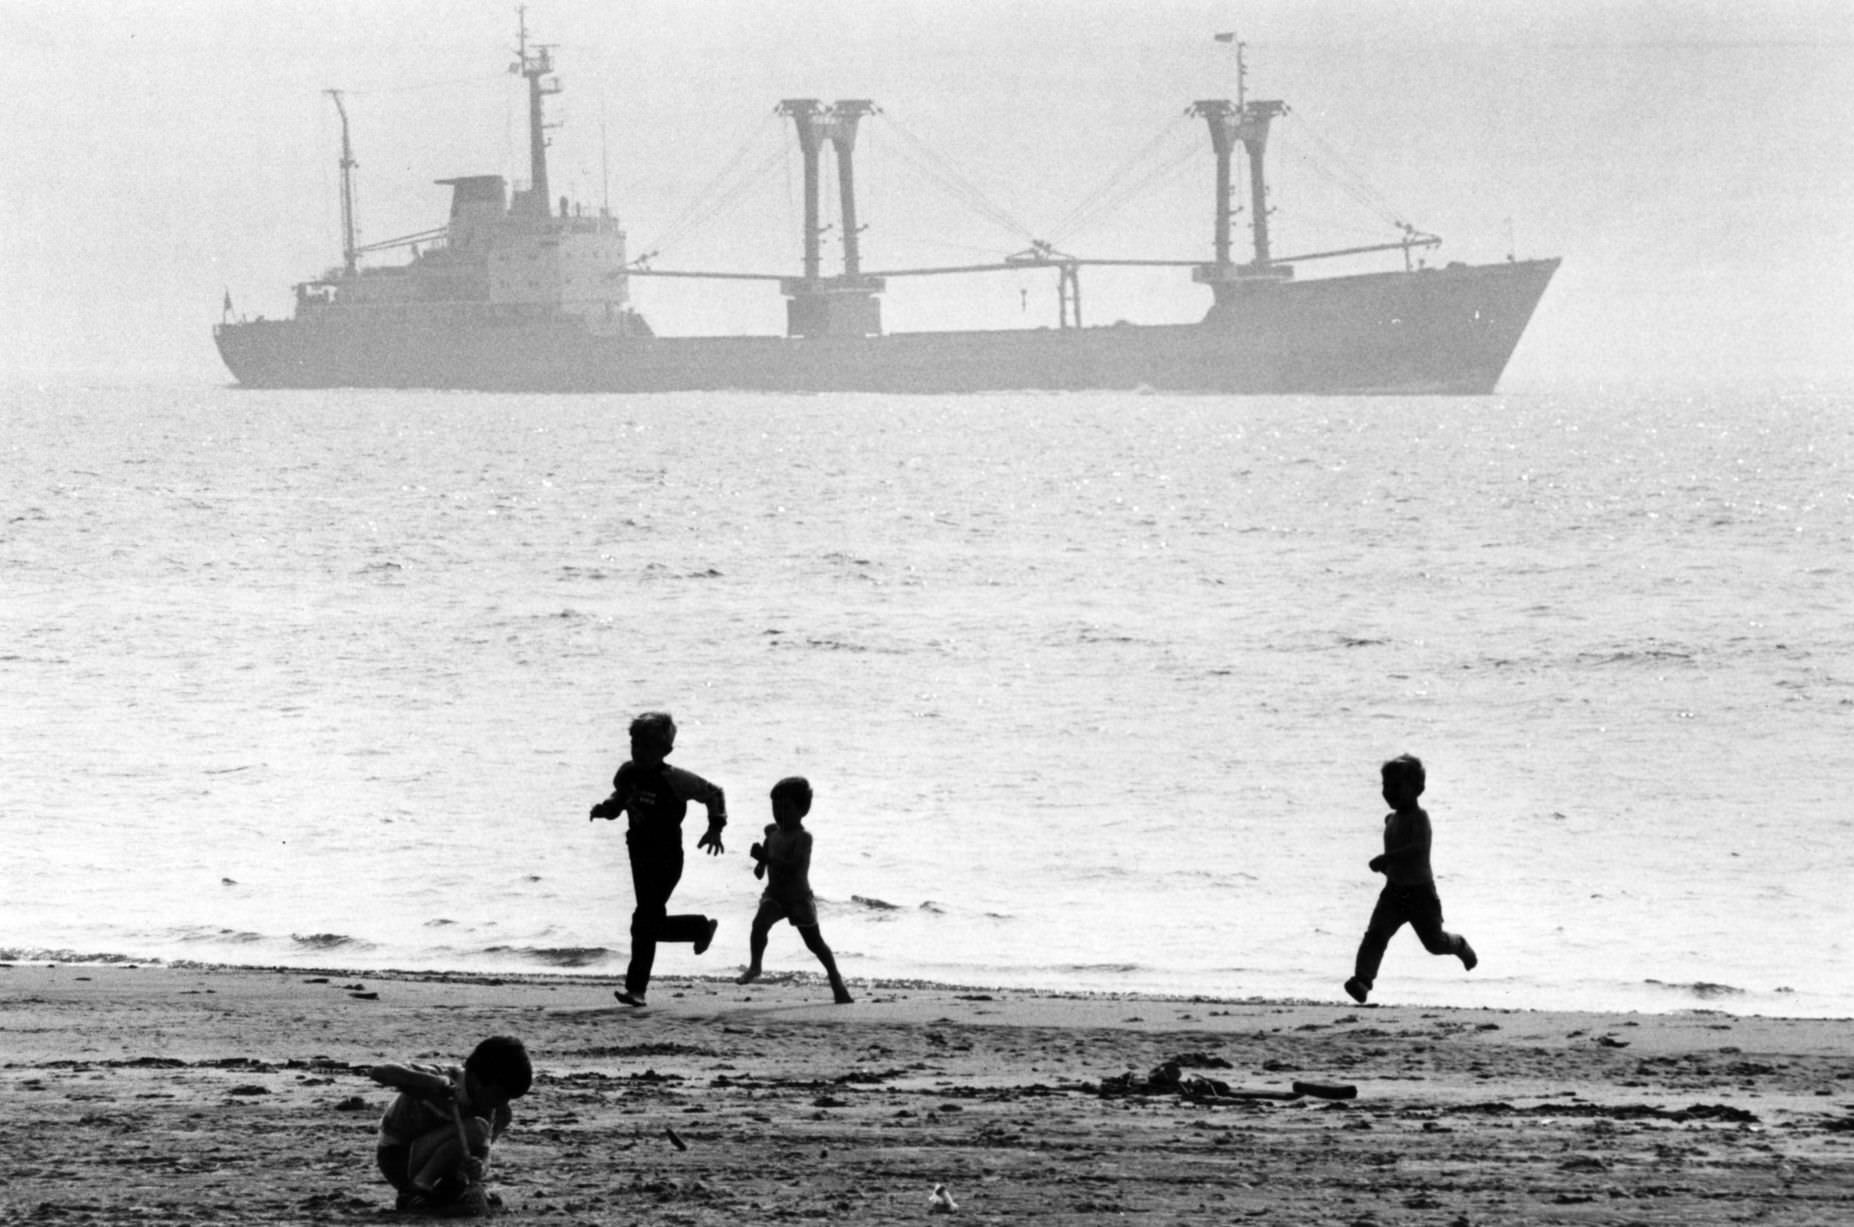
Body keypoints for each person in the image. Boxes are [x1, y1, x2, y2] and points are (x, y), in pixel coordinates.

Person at [590, 711, 727, 1007]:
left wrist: (716, 826)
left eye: (648, 747)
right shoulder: (627, 773)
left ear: (665, 750)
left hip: (666, 859)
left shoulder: (675, 779)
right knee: (648, 922)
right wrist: (605, 809)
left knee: (643, 921)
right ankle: (698, 928)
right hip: (638, 855)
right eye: (635, 744)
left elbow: (714, 793)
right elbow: (620, 800)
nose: (639, 752)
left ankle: (636, 989)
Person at [1345, 754, 1478, 1004]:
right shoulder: (1391, 820)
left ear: (1418, 789)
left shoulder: (1420, 818)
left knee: (1434, 944)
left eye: (1396, 786)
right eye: (1385, 786)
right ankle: (1363, 980)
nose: (1389, 792)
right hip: (1394, 892)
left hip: (1421, 895)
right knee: (1375, 935)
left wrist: (1387, 858)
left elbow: (1418, 849)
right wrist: (1386, 868)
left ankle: (1459, 945)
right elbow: (1397, 857)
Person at [369, 1035, 533, 1216]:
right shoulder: (444, 1078)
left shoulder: (495, 1108)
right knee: (477, 1128)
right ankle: (417, 1188)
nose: (502, 1102)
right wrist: (431, 1083)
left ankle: (440, 1192)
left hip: (436, 1156)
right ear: (477, 1079)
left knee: (483, 1130)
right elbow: (378, 1072)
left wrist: (479, 1168)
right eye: (499, 1094)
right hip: (398, 1156)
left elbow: (484, 1152)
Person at [736, 776, 853, 1004]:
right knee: (759, 925)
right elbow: (761, 870)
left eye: (786, 808)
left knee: (815, 943)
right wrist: (760, 863)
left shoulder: (803, 837)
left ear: (802, 810)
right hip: (775, 895)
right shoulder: (772, 833)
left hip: (799, 898)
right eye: (775, 807)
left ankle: (836, 980)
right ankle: (755, 966)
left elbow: (794, 867)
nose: (779, 813)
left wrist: (766, 858)